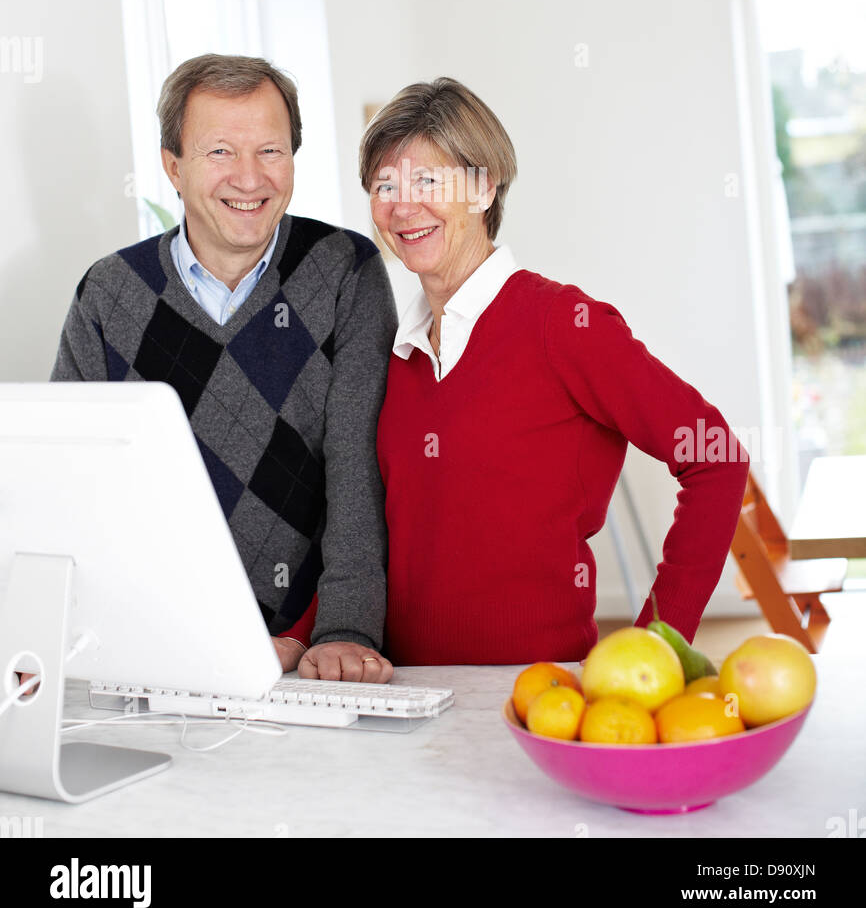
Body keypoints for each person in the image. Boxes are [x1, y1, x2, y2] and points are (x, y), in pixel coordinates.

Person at [360, 76, 751, 666]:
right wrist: (303, 635)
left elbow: (717, 455)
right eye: (384, 184)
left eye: (427, 180)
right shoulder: (394, 350)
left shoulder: (562, 324)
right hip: (401, 693)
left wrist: (658, 643)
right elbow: (367, 525)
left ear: (484, 187)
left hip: (537, 694)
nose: (402, 205)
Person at [51, 54, 397, 683]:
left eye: (270, 150)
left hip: (310, 649)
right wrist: (45, 636)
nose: (249, 177)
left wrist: (344, 630)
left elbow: (358, 471)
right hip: (153, 649)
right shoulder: (108, 294)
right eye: (219, 152)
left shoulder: (346, 271)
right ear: (172, 166)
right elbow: (70, 488)